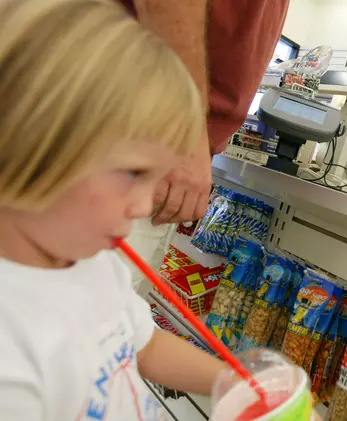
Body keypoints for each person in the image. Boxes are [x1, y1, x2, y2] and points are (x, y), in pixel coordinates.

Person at [0, 1, 226, 418]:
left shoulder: (93, 261)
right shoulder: (10, 351)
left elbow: (144, 344)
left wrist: (230, 381)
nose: (144, 204)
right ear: (30, 138)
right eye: (133, 172)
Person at [117, 0, 290, 295]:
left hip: (156, 131)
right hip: (141, 128)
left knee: (119, 314)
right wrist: (184, 128)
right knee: (91, 314)